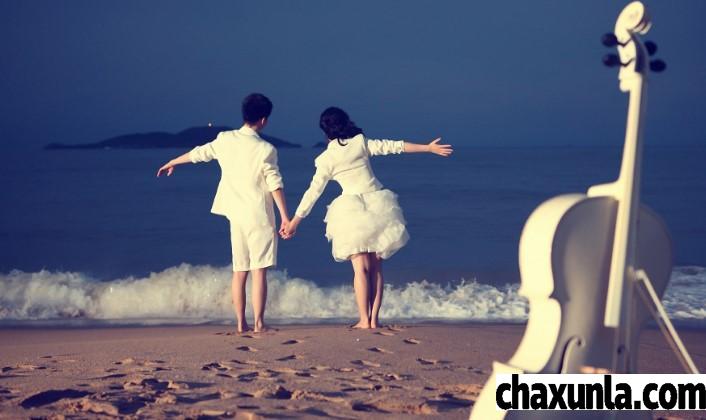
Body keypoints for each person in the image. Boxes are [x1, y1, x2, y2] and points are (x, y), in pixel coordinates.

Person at [282, 107, 452, 329]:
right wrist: (427, 148)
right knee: (376, 268)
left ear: (325, 131)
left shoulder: (325, 159)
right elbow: (395, 146)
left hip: (350, 211)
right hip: (379, 205)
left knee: (360, 269)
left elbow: (313, 193)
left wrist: (294, 222)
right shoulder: (360, 142)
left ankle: (363, 320)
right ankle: (374, 320)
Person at [157, 93, 289, 333]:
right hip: (259, 216)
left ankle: (240, 323)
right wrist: (285, 217)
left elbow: (199, 153)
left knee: (239, 271)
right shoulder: (266, 149)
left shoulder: (225, 139)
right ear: (263, 120)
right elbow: (274, 184)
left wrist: (173, 161)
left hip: (235, 216)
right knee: (259, 272)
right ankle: (259, 324)